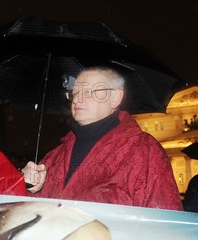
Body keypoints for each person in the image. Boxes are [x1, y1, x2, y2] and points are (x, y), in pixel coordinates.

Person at [22, 67, 182, 210]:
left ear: (115, 98)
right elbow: (31, 215)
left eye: (89, 91)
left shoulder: (143, 150)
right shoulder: (55, 156)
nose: (77, 99)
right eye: (75, 92)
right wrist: (33, 188)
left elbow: (164, 219)